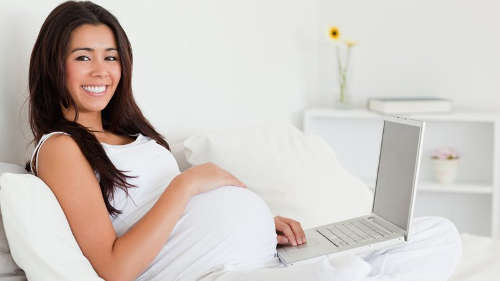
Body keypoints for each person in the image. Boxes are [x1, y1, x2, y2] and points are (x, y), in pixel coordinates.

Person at [27, 1, 462, 281]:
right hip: (219, 272)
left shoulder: (132, 133)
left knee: (436, 234)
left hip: (261, 255)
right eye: (83, 57)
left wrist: (259, 221)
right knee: (346, 273)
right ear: (53, 65)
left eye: (111, 57)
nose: (101, 71)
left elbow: (176, 215)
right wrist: (189, 182)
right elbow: (115, 267)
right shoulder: (62, 147)